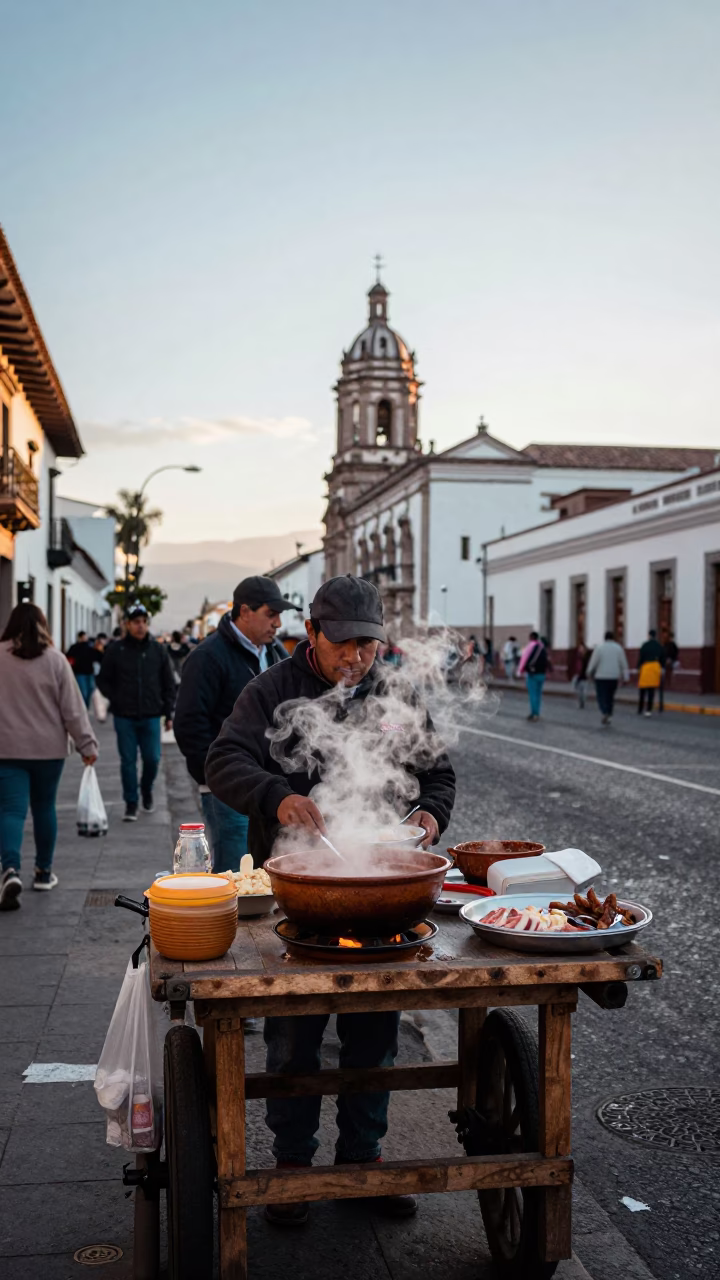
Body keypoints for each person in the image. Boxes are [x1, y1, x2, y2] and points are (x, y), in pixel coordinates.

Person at [205, 575, 456, 1226]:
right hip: (298, 889)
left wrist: (430, 813)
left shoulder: (392, 694)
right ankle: (292, 1163)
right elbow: (222, 760)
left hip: (379, 885)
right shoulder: (270, 691)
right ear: (311, 633)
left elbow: (439, 773)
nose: (355, 660)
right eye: (343, 645)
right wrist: (275, 795)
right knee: (295, 1034)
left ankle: (363, 1159)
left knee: (375, 1029)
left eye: (367, 648)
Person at [174, 576, 294, 872]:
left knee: (269, 871)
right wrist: (216, 775)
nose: (277, 623)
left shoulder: (276, 652)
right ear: (244, 612)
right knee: (236, 874)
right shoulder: (207, 658)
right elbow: (189, 724)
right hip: (229, 788)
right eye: (271, 614)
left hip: (272, 786)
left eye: (279, 615)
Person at [0, 604, 98, 906]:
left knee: (11, 811)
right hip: (48, 750)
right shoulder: (55, 660)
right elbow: (72, 709)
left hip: (7, 749)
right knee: (44, 808)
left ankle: (10, 869)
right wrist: (87, 745)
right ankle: (43, 873)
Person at [97, 604, 175, 820]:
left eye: (143, 622)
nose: (140, 626)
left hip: (151, 715)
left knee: (152, 759)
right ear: (128, 624)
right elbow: (103, 680)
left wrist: (168, 713)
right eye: (136, 622)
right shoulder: (116, 650)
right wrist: (116, 697)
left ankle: (146, 789)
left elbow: (168, 683)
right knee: (128, 761)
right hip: (125, 716)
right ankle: (131, 802)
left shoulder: (157, 650)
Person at [586, 631, 629, 725]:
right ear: (613, 638)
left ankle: (604, 711)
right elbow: (624, 663)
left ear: (604, 638)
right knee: (610, 697)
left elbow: (594, 661)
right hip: (614, 676)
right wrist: (626, 677)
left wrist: (589, 672)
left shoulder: (599, 648)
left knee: (601, 696)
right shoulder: (618, 648)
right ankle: (609, 713)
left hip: (601, 677)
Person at [517, 631, 548, 721]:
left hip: (532, 674)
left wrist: (520, 670)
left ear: (530, 638)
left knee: (533, 695)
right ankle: (537, 713)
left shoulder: (530, 647)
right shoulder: (542, 647)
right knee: (538, 695)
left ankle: (534, 714)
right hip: (542, 674)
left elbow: (524, 659)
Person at [637, 629, 664, 717]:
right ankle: (649, 710)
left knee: (642, 689)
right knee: (651, 690)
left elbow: (641, 657)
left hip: (646, 667)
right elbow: (662, 658)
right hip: (655, 667)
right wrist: (662, 668)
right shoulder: (659, 646)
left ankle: (640, 708)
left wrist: (638, 667)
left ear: (649, 635)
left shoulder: (645, 645)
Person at [66, 630, 97, 707]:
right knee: (83, 692)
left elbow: (96, 656)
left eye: (85, 637)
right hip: (79, 672)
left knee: (91, 689)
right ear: (79, 638)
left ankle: (86, 706)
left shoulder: (90, 647)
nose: (84, 639)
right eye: (83, 637)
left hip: (89, 672)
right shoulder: (74, 647)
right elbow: (68, 657)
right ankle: (84, 708)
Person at [572, 642, 592, 709]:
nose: (580, 649)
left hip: (585, 676)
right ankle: (580, 703)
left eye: (582, 648)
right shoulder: (577, 656)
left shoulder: (587, 657)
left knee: (584, 692)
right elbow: (575, 666)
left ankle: (582, 702)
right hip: (578, 676)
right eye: (579, 648)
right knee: (579, 691)